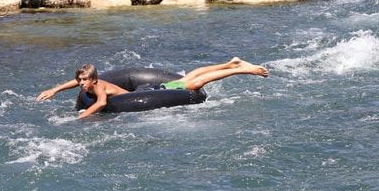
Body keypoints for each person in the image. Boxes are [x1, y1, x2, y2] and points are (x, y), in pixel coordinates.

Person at [37, 58, 269, 118]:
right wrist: (55, 90)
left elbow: (102, 103)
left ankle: (244, 70)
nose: (81, 84)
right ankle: (232, 63)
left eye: (84, 81)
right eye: (80, 81)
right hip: (146, 89)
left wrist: (81, 117)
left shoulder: (98, 89)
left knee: (196, 83)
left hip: (150, 93)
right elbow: (72, 82)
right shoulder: (88, 83)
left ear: (94, 80)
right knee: (192, 75)